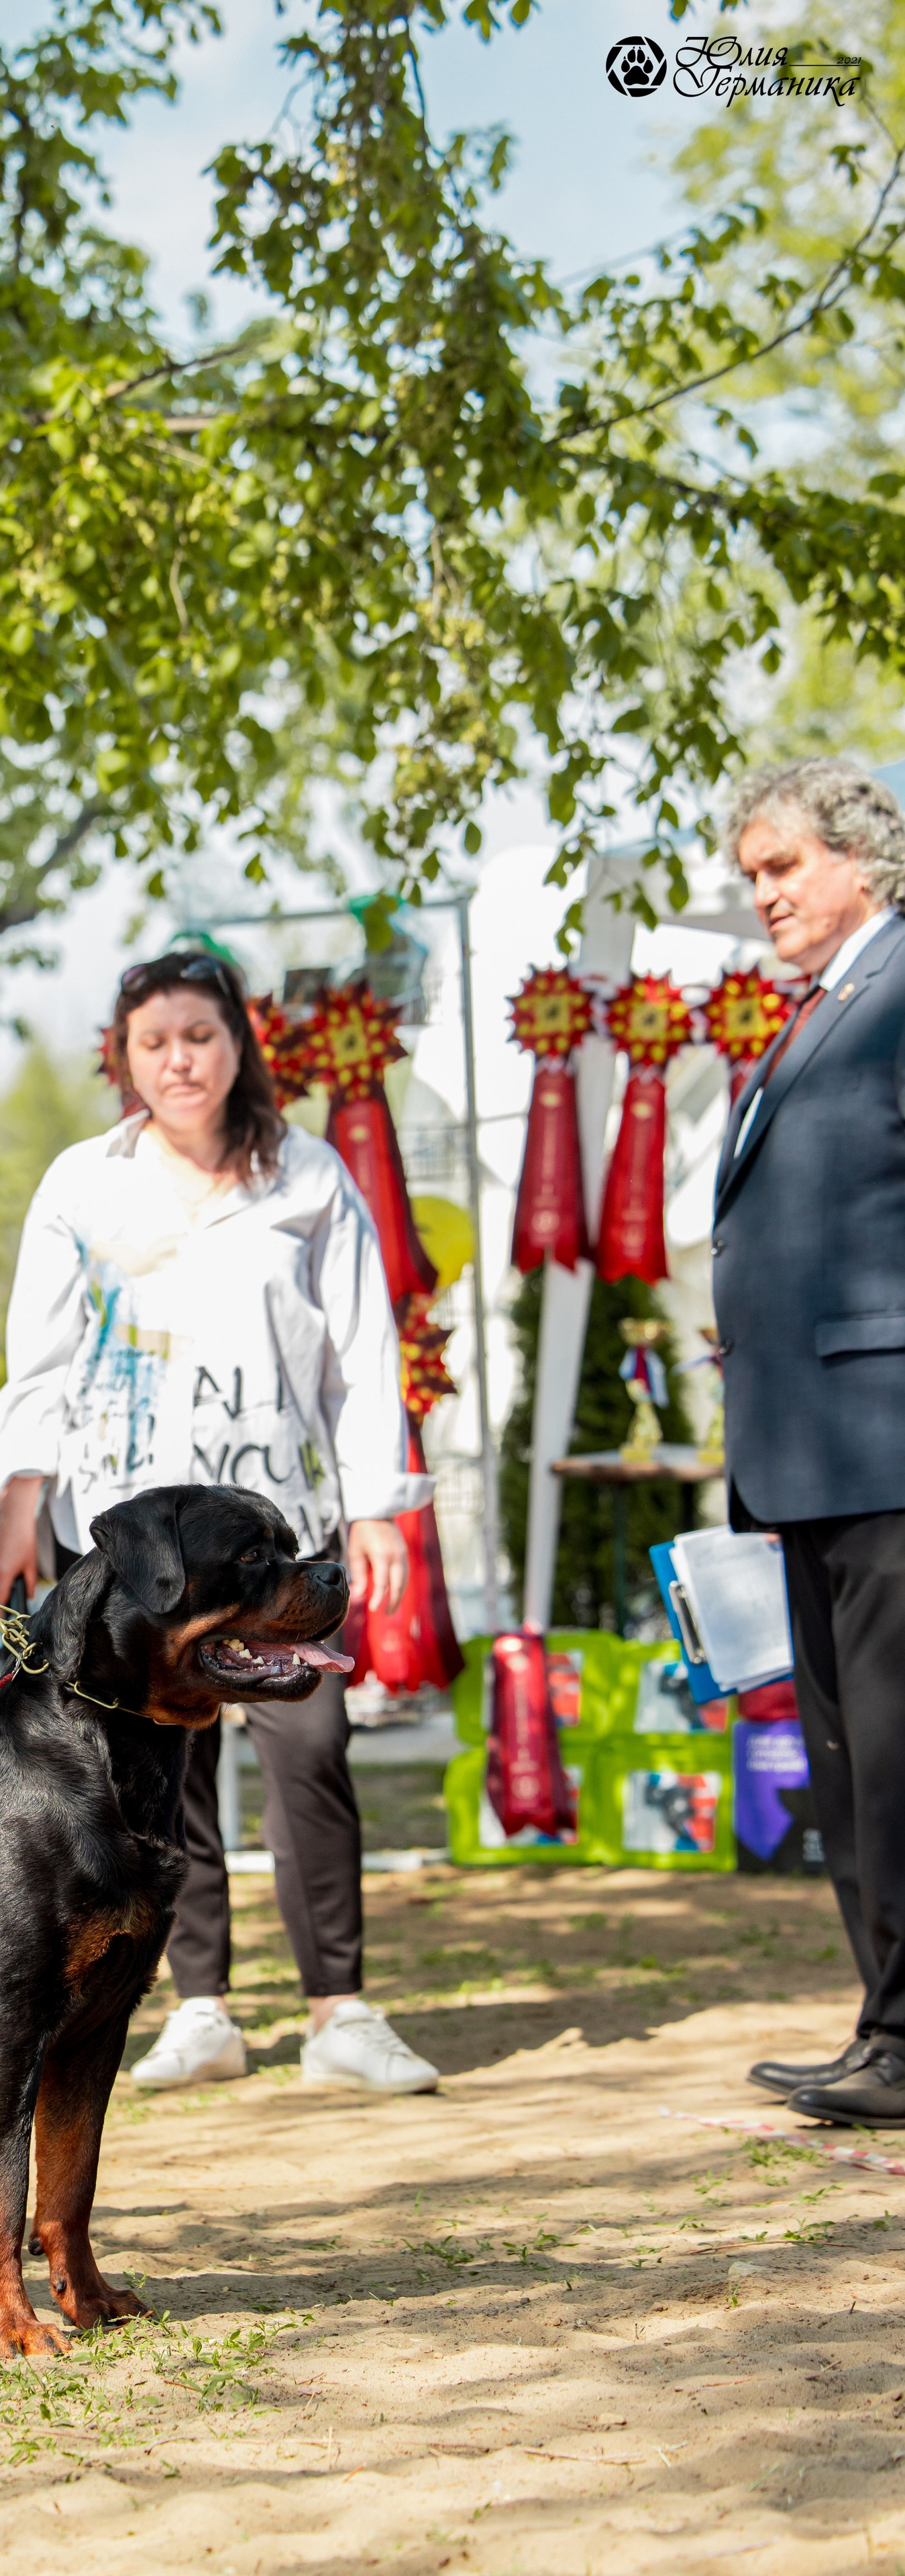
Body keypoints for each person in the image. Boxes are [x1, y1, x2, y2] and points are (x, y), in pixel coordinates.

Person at [0, 950, 439, 2097]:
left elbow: (365, 1354)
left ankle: (339, 2004)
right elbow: (37, 1353)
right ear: (123, 1057)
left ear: (239, 1041)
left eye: (199, 1034)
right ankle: (200, 2004)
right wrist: (19, 1494)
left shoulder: (311, 1177)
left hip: (277, 1531)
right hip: (135, 1544)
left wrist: (379, 1502)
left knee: (311, 1743)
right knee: (164, 1768)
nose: (178, 1060)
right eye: (153, 1042)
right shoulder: (84, 1182)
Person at [713, 760, 905, 2126]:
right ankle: (886, 2027)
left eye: (780, 866)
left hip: (886, 1440)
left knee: (895, 1760)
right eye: (749, 876)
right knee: (846, 1768)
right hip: (805, 1452)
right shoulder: (811, 1016)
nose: (761, 895)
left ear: (861, 856)